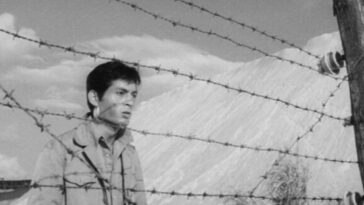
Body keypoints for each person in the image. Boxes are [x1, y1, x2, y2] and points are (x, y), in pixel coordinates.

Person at [28, 61, 147, 205]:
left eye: (133, 95)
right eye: (120, 93)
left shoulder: (129, 153)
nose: (130, 101)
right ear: (95, 98)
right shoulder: (59, 149)